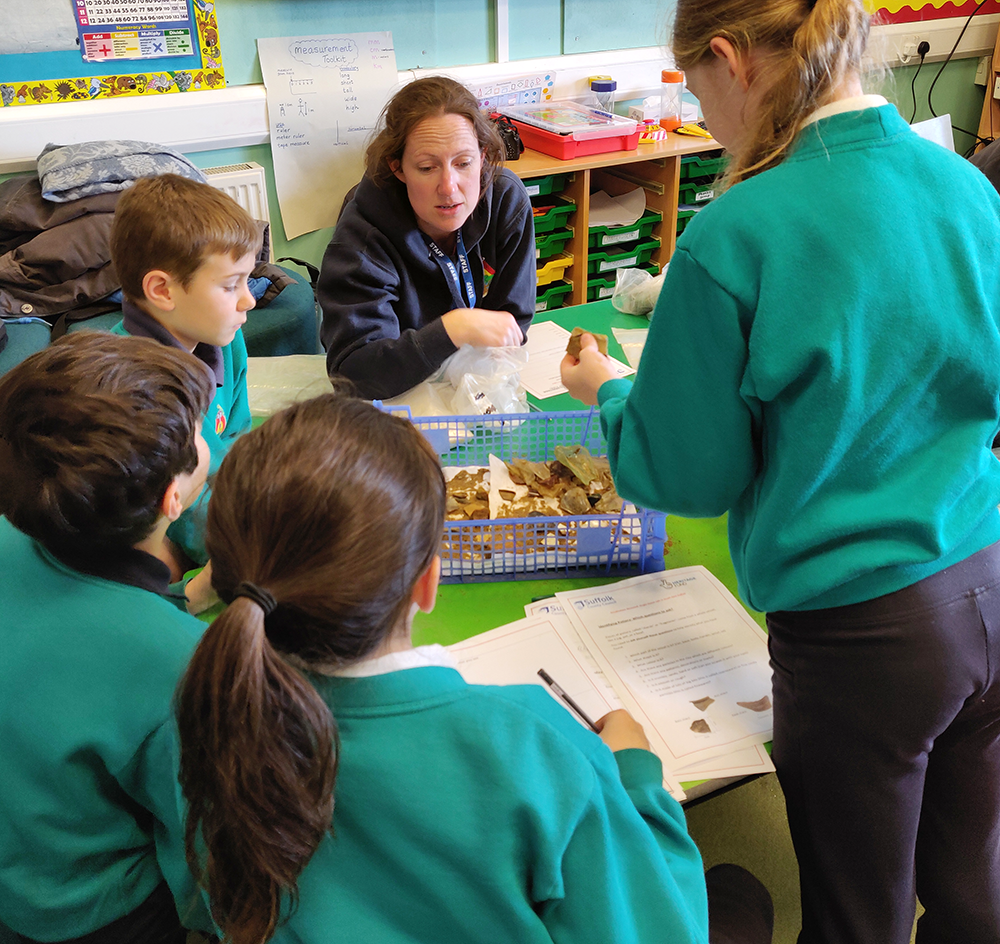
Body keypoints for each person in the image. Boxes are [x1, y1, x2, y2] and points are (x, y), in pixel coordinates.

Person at [560, 1, 1000, 943]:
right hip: (989, 577)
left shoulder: (737, 233)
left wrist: (609, 393)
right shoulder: (963, 186)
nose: (701, 109)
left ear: (730, 60)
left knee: (854, 911)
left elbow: (687, 473)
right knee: (974, 885)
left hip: (862, 637)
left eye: (694, 84)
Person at [173, 394, 773, 944]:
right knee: (741, 893)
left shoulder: (211, 723)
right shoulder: (530, 742)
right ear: (428, 581)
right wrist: (637, 781)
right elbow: (660, 931)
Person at [0, 332, 214, 943]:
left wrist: (186, 598)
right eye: (200, 435)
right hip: (90, 915)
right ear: (173, 497)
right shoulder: (179, 664)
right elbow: (205, 858)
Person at [317, 75, 536, 400]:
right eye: (426, 167)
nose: (449, 187)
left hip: (469, 388)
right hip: (396, 398)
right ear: (398, 168)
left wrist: (477, 355)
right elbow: (353, 375)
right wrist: (455, 328)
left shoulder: (505, 200)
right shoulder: (361, 240)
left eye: (463, 163)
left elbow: (512, 319)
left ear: (483, 155)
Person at [109, 172, 259, 575]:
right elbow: (158, 514)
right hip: (154, 526)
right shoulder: (130, 387)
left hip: (212, 510)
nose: (250, 299)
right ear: (162, 290)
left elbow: (236, 437)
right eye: (231, 286)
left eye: (249, 281)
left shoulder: (226, 339)